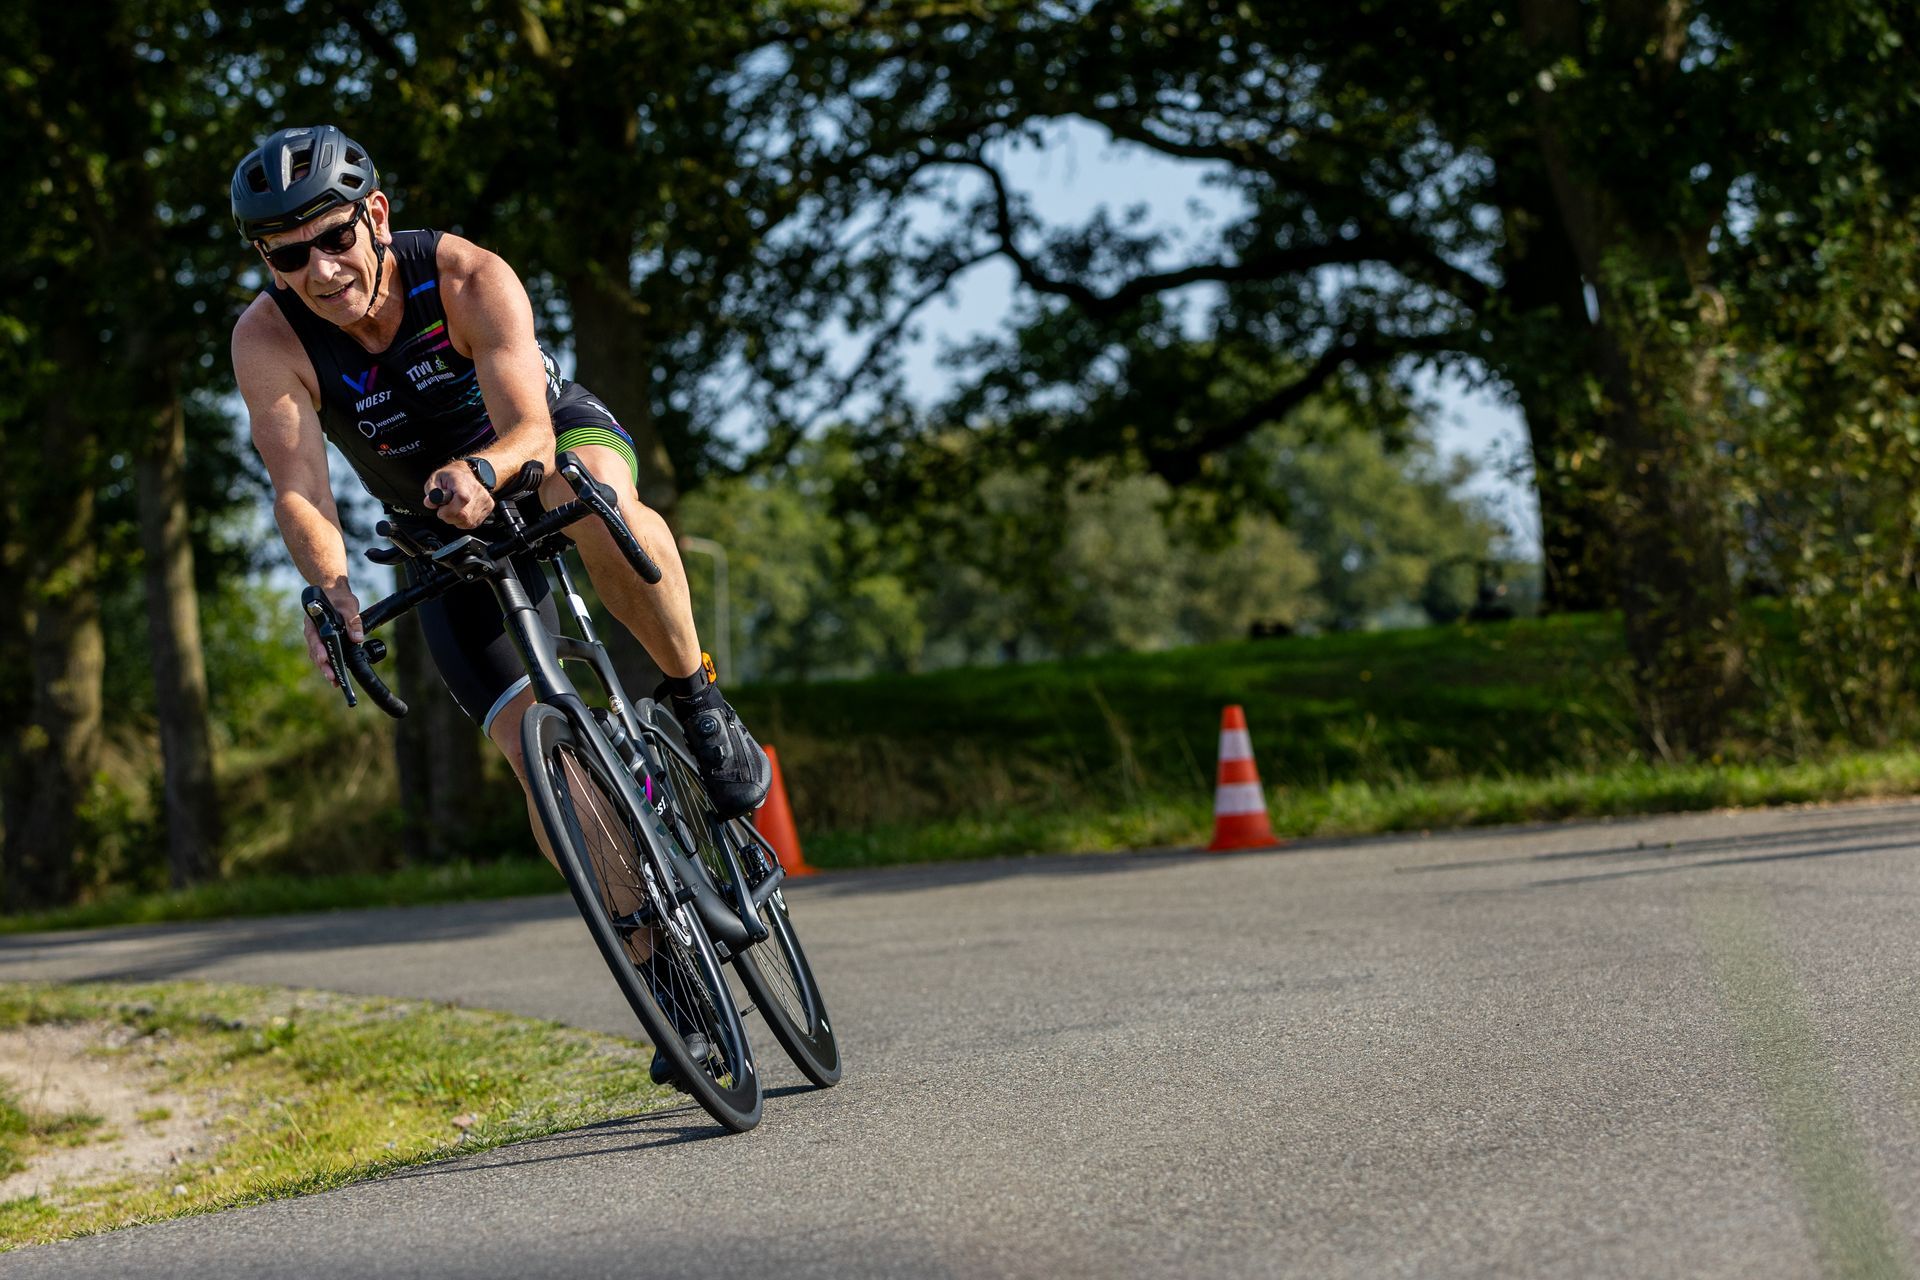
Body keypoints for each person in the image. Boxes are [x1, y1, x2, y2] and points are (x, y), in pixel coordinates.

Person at [229, 125, 771, 879]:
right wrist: (331, 591)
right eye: (288, 255)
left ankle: (697, 699)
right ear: (267, 261)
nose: (319, 271)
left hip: (541, 447)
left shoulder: (463, 275)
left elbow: (531, 435)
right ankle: (657, 961)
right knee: (529, 750)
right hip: (433, 524)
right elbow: (300, 487)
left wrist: (482, 473)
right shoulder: (266, 339)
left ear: (376, 216)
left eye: (334, 239)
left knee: (592, 500)